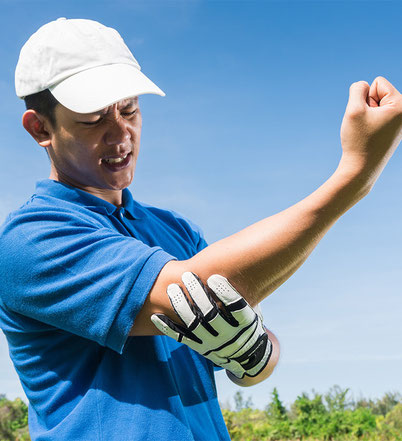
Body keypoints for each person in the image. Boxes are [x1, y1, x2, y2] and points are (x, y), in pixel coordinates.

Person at [0, 16, 401, 441]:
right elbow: (193, 295)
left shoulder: (176, 231)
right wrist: (355, 176)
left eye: (130, 108)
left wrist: (256, 356)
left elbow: (247, 346)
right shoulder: (30, 239)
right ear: (40, 128)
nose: (121, 135)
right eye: (93, 119)